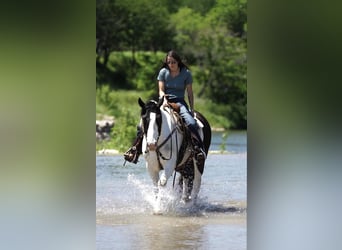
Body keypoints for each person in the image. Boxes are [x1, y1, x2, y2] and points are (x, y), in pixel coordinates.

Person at [124, 50, 205, 163]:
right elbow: (161, 90)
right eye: (169, 62)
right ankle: (135, 150)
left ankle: (198, 148)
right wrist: (164, 100)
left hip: (179, 103)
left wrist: (191, 109)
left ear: (178, 62)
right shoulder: (163, 72)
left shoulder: (186, 73)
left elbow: (190, 93)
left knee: (191, 122)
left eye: (173, 62)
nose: (171, 65)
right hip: (164, 102)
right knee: (145, 121)